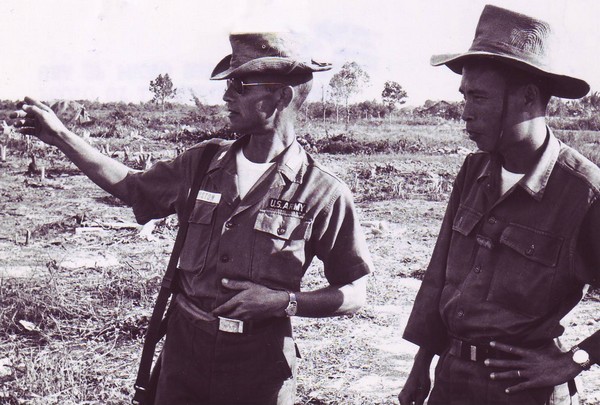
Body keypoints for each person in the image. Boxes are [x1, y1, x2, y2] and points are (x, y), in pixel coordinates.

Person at [12, 32, 373, 405]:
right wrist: (61, 136)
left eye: (240, 85)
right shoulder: (201, 163)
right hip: (185, 357)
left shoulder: (322, 193)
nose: (226, 96)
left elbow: (353, 293)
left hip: (258, 369)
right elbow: (133, 188)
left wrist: (283, 302)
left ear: (282, 97)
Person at [398, 5, 599, 405]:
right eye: (464, 97)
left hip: (525, 390)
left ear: (527, 98)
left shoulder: (583, 193)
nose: (466, 113)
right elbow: (439, 276)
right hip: (452, 377)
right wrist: (422, 365)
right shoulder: (474, 169)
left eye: (479, 97)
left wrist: (575, 359)